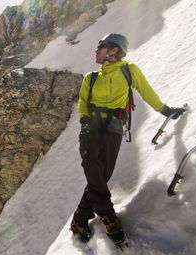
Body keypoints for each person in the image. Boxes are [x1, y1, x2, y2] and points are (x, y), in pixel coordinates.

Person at [70, 33, 185, 244]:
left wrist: (166, 110)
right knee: (90, 164)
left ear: (114, 50)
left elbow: (146, 92)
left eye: (101, 46)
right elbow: (83, 103)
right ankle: (108, 216)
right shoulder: (91, 77)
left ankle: (79, 219)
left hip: (114, 127)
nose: (96, 50)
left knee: (102, 174)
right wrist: (84, 122)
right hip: (91, 126)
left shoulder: (129, 70)